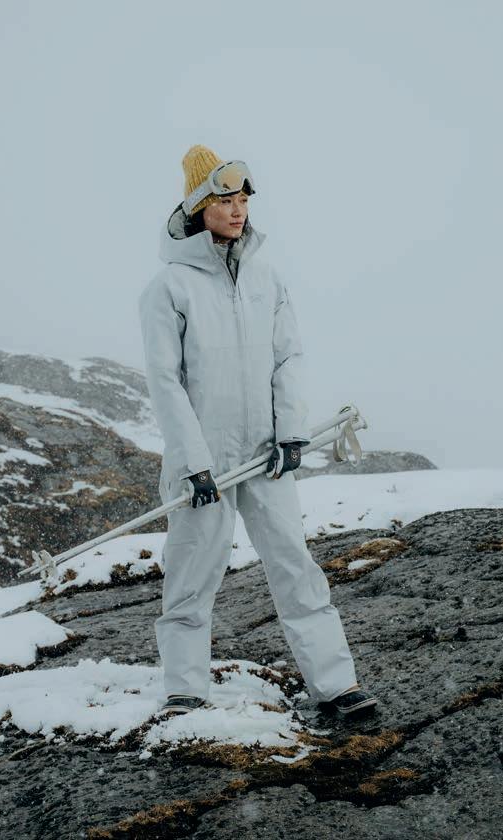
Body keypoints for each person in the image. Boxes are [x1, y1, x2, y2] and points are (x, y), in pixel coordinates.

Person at [138, 145, 377, 717]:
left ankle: (336, 686)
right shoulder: (169, 288)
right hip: (205, 462)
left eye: (244, 199)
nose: (238, 209)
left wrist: (290, 433)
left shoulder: (268, 279)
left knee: (294, 564)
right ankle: (185, 689)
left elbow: (288, 358)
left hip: (266, 455)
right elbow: (165, 382)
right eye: (225, 199)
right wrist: (193, 462)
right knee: (193, 572)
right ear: (199, 207)